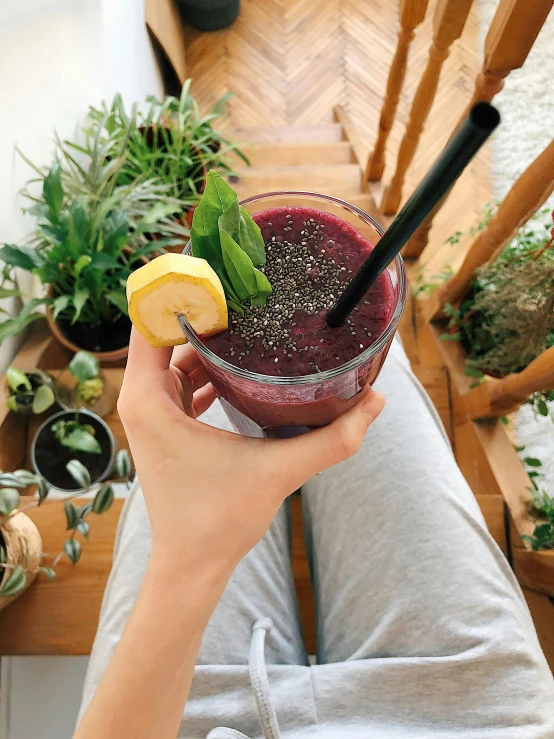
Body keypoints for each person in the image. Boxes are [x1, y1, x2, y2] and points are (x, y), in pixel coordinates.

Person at [75, 329, 554, 739]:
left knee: (208, 389)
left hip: (179, 709)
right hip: (468, 709)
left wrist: (186, 563)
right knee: (370, 367)